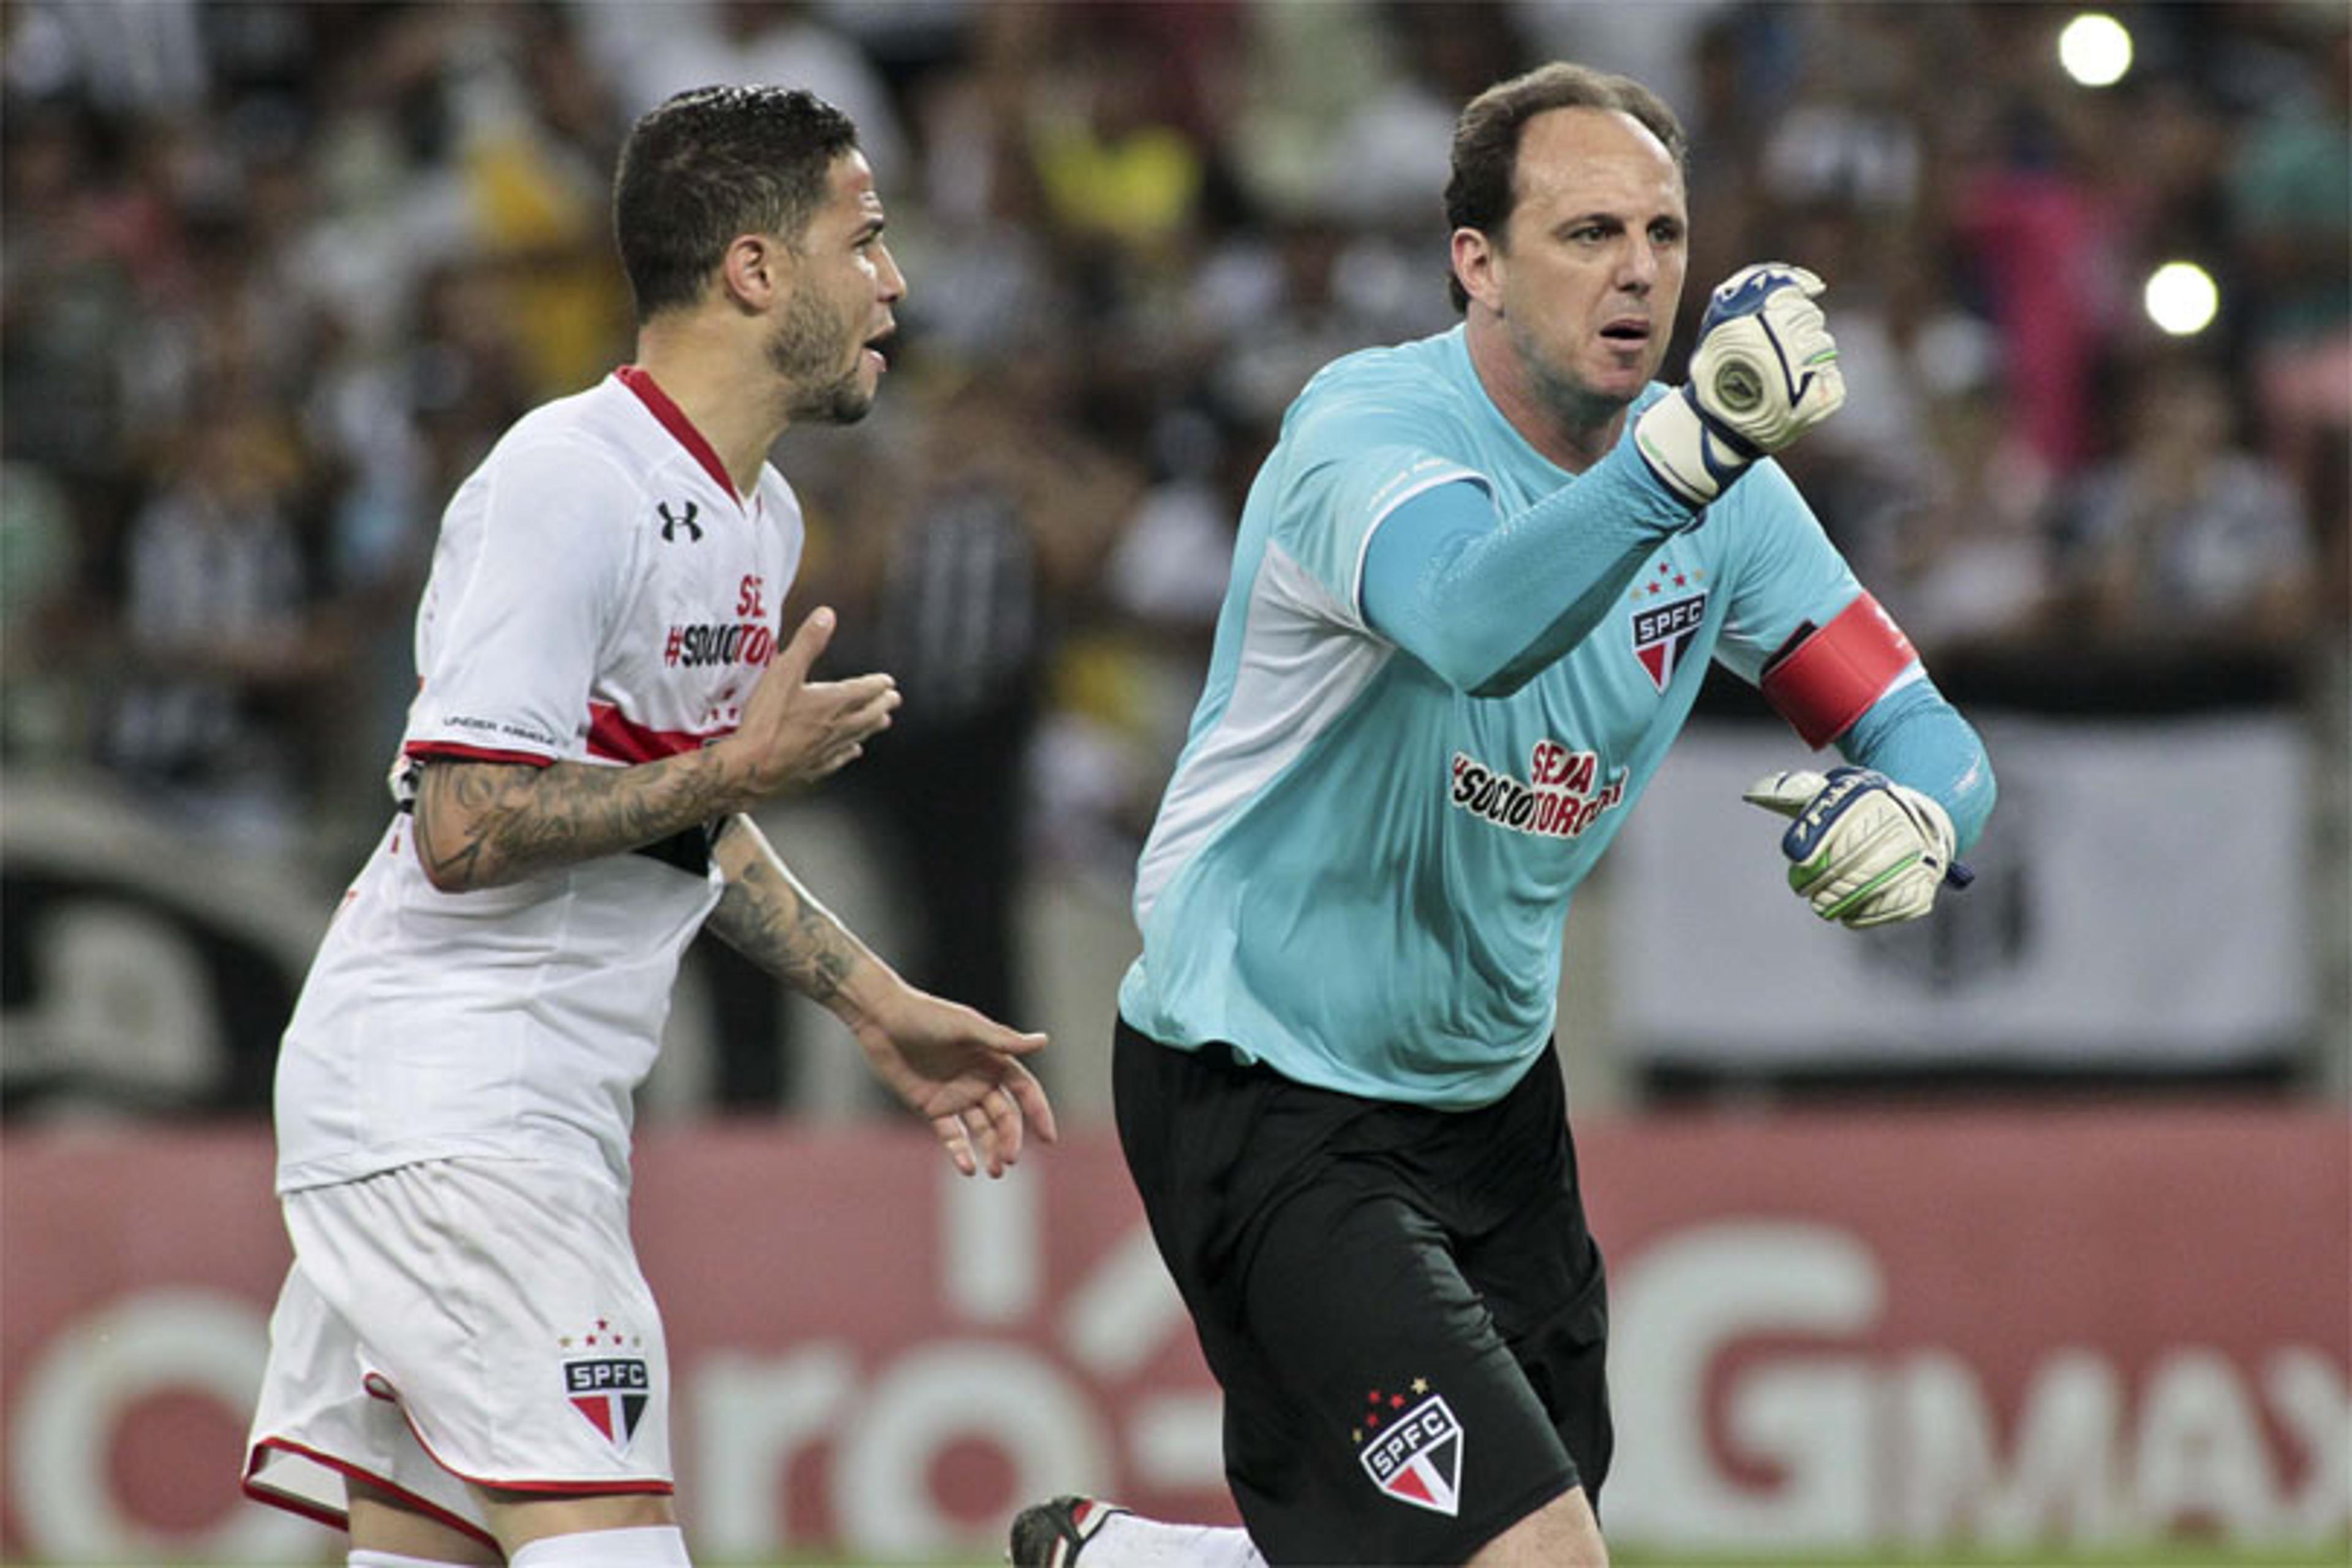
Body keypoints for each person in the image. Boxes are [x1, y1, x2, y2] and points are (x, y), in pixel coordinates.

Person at [1009, 61, 1993, 1568]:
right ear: (1476, 261)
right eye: (1589, 231)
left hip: (1492, 1108)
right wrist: (1687, 464)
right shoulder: (1369, 437)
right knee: (1536, 1555)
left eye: (1665, 234)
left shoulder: (1715, 492)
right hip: (1263, 1084)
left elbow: (1912, 717)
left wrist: (1924, 812)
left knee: (1450, 1549)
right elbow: (1472, 620)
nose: (1640, 272)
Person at [241, 85, 1057, 1568]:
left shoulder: (761, 516)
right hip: (456, 1103)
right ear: (755, 269)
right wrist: (725, 772)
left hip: (511, 1104)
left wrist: (876, 1001)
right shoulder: (569, 481)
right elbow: (464, 821)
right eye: (863, 240)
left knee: (428, 1553)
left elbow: (679, 810)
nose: (897, 283)